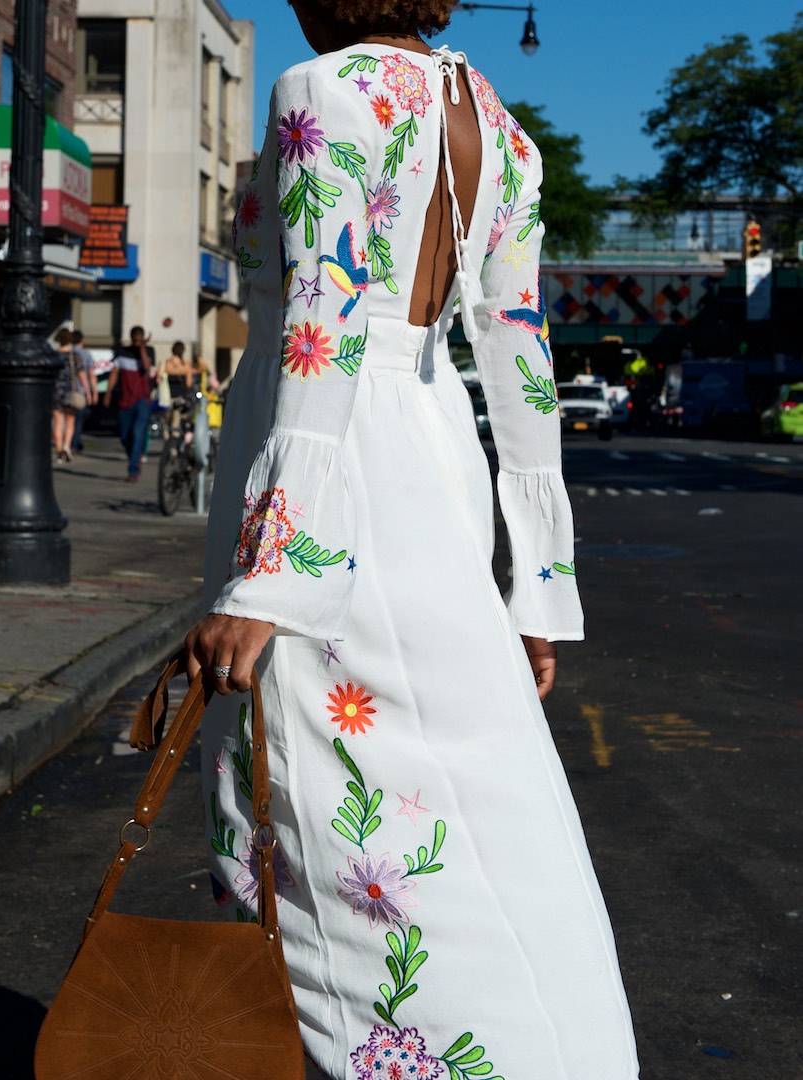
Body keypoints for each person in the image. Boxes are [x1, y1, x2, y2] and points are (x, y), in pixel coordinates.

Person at [183, 3, 640, 1079]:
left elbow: (327, 308)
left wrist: (274, 568)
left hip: (330, 451)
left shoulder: (322, 86)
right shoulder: (504, 131)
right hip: (435, 452)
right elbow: (520, 352)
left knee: (321, 802)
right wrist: (537, 583)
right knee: (473, 786)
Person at [103, 325, 153, 482]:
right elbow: (114, 373)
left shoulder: (148, 351)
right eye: (135, 340)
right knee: (125, 435)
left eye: (140, 339)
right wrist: (108, 392)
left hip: (143, 399)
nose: (137, 342)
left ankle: (133, 471)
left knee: (138, 433)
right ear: (131, 338)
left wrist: (142, 348)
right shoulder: (122, 352)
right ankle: (135, 456)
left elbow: (146, 367)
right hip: (125, 400)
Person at [51, 327, 84, 463]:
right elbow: (81, 375)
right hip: (71, 391)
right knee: (70, 422)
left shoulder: (53, 355)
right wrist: (88, 391)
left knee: (58, 422)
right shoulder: (74, 355)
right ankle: (66, 446)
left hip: (55, 391)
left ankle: (58, 451)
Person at [70, 329, 97, 452]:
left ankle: (66, 444)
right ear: (82, 340)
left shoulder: (66, 352)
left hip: (65, 391)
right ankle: (74, 444)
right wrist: (92, 393)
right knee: (78, 420)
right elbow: (89, 375)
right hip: (80, 391)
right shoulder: (86, 355)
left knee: (67, 419)